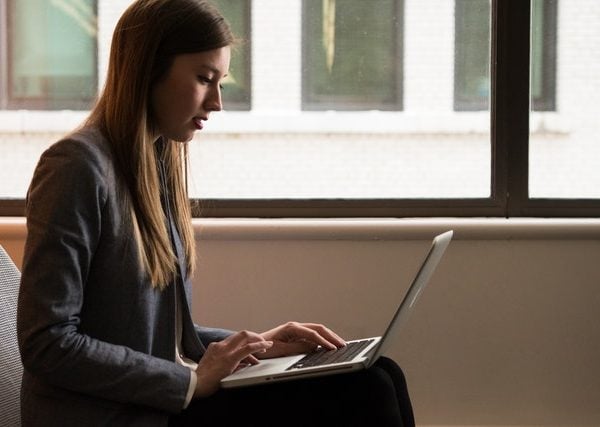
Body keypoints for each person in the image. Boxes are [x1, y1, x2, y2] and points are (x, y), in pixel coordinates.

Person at [16, 0, 415, 426]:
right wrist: (191, 382)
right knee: (366, 391)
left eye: (221, 81)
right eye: (205, 79)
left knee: (379, 372)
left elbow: (163, 341)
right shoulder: (75, 167)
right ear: (147, 70)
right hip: (113, 415)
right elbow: (48, 342)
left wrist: (257, 346)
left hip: (157, 401)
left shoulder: (157, 162)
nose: (218, 102)